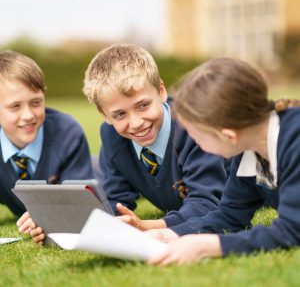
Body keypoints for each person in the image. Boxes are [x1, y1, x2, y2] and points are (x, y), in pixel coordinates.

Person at [148, 57, 300, 266]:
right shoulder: (248, 148)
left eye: (197, 137)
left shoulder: (295, 140)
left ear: (228, 135)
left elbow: (292, 231)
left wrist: (210, 246)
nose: (196, 143)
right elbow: (230, 215)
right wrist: (173, 234)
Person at [82, 43, 228, 235]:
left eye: (143, 105)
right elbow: (114, 198)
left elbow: (206, 203)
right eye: (119, 115)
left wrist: (147, 226)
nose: (135, 123)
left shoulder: (194, 126)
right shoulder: (112, 136)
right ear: (105, 115)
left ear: (161, 92)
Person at [0, 50, 93, 244]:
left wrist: (46, 214)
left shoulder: (68, 133)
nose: (28, 115)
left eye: (36, 103)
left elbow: (80, 206)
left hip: (91, 170)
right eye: (15, 106)